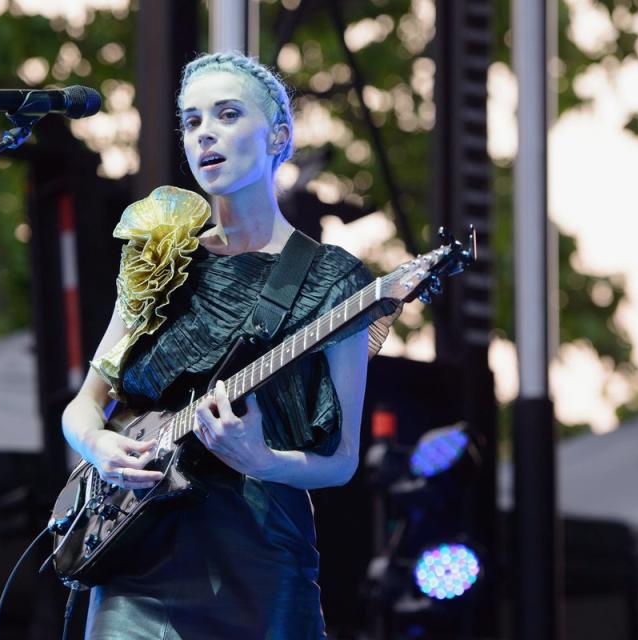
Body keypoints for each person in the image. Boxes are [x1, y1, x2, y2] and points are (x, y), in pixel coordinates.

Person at [61, 51, 399, 639]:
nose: (204, 134)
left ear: (278, 136)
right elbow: (85, 403)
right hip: (136, 558)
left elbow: (342, 462)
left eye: (226, 114)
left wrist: (263, 460)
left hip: (259, 560)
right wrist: (96, 443)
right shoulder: (158, 255)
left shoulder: (333, 280)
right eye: (191, 122)